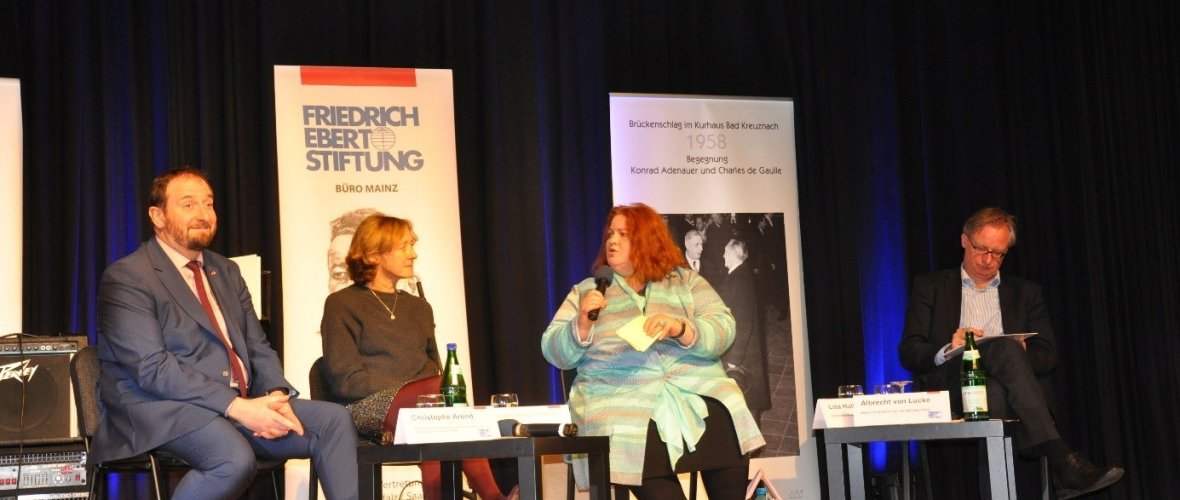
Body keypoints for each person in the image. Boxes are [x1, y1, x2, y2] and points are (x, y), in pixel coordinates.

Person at [93, 168, 358, 499]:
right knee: (232, 459)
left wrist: (276, 396)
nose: (203, 214)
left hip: (235, 406)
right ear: (158, 216)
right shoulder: (129, 277)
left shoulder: (226, 271)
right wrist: (237, 407)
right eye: (188, 204)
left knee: (333, 422)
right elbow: (152, 368)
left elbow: (256, 345)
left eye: (208, 204)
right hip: (161, 408)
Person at [542, 203, 765, 500]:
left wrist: (681, 329)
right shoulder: (587, 291)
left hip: (692, 388)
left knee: (726, 408)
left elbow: (724, 327)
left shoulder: (685, 281)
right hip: (621, 399)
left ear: (647, 240)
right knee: (635, 428)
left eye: (623, 234)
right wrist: (581, 324)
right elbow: (552, 350)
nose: (612, 241)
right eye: (610, 234)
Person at [898, 207, 1123, 499]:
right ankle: (1062, 460)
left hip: (1005, 388)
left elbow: (1048, 356)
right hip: (953, 383)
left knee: (995, 385)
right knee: (1002, 351)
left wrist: (1020, 352)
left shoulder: (1026, 292)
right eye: (982, 249)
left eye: (999, 253)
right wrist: (949, 348)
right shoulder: (931, 287)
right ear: (964, 241)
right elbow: (909, 351)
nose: (988, 260)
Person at [319, 214, 516, 500]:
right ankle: (493, 497)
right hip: (365, 409)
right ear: (373, 255)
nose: (413, 254)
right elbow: (345, 380)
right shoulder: (341, 304)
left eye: (412, 245)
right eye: (403, 247)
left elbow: (434, 369)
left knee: (437, 413)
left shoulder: (420, 308)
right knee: (438, 400)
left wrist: (422, 398)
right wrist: (412, 393)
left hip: (423, 411)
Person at [716, 238, 771, 426]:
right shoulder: (738, 274)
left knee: (748, 396)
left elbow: (744, 322)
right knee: (746, 395)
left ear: (733, 253)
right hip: (743, 349)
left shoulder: (741, 279)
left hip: (743, 352)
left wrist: (735, 358)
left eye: (725, 251)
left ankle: (752, 438)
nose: (723, 255)